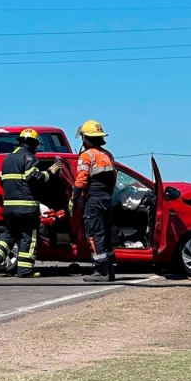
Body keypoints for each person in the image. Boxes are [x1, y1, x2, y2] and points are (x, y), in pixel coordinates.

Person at [0, 128, 61, 278]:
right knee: (29, 238)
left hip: (10, 208)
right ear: (34, 144)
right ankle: (25, 270)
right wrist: (51, 171)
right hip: (27, 209)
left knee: (8, 235)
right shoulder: (30, 158)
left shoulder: (7, 159)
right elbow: (35, 178)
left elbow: (1, 179)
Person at [69, 120, 117, 282]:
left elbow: (81, 180)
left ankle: (101, 271)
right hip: (107, 197)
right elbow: (113, 178)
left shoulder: (86, 156)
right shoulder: (107, 155)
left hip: (94, 198)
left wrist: (74, 199)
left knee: (94, 234)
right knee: (105, 234)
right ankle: (109, 270)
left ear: (87, 138)